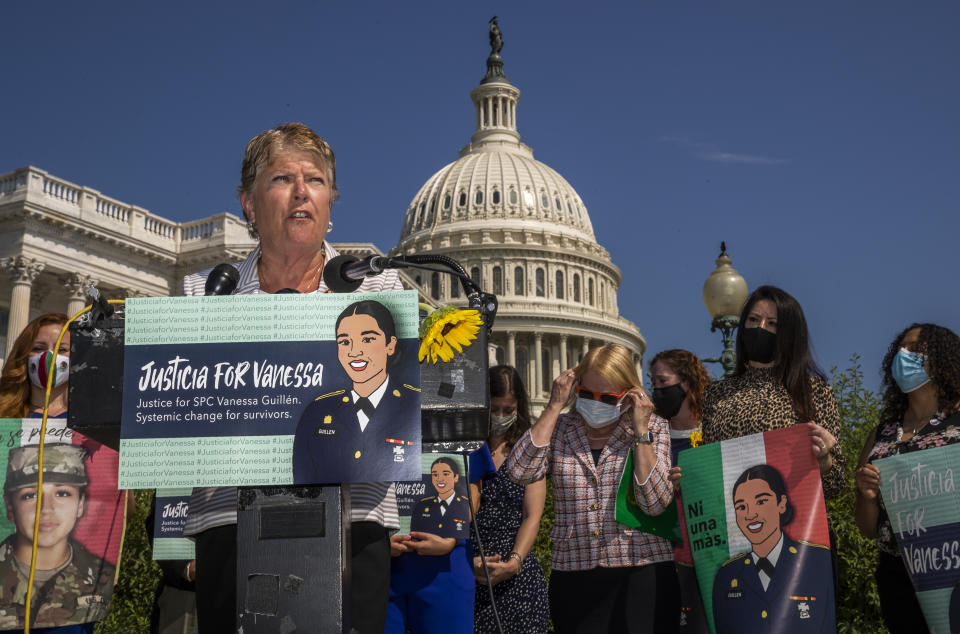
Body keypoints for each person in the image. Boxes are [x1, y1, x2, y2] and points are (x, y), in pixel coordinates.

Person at [181, 122, 404, 633]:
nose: (302, 192)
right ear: (249, 205)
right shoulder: (204, 293)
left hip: (352, 520)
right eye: (283, 178)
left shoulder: (377, 286)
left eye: (316, 180)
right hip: (229, 521)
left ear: (330, 203)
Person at [505, 343, 679, 634]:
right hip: (575, 576)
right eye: (586, 394)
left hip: (642, 571)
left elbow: (655, 502)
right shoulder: (560, 428)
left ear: (628, 396)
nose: (595, 403)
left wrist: (641, 432)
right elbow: (519, 471)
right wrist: (553, 406)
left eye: (607, 397)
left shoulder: (654, 428)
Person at [690, 286, 845, 499]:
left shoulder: (814, 391)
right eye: (753, 319)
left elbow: (836, 486)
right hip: (737, 523)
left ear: (789, 334)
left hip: (798, 525)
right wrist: (691, 478)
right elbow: (713, 473)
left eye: (772, 323)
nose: (760, 327)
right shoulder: (716, 394)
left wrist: (824, 459)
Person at [855, 323, 960, 634]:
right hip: (898, 576)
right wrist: (866, 496)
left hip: (953, 573)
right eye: (901, 348)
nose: (904, 356)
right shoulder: (881, 435)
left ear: (943, 360)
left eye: (915, 349)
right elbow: (867, 529)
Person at [293, 300, 419, 484]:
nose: (354, 351)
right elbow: (303, 483)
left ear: (390, 345)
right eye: (344, 342)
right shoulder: (317, 412)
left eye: (367, 339)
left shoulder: (414, 403)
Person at [0, 445, 115, 631]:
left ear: (80, 504)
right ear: (10, 506)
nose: (46, 508)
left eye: (62, 493)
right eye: (30, 495)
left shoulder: (102, 575)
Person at [712, 464, 834, 633]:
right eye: (741, 506)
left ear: (781, 504)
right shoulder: (727, 575)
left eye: (761, 501)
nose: (750, 514)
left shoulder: (816, 560)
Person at [473, 365, 548, 634]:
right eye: (494, 409)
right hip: (471, 570)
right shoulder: (466, 447)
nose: (501, 416)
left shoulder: (527, 449)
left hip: (517, 576)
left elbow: (533, 515)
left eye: (508, 409)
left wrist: (514, 562)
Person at [387, 451, 492, 634]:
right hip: (379, 567)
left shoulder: (462, 423)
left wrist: (451, 536)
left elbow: (473, 490)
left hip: (445, 568)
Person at [649, 350, 711, 633]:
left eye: (663, 381)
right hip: (661, 561)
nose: (658, 390)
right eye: (653, 383)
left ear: (687, 382)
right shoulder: (650, 436)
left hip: (707, 558)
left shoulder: (714, 432)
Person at [0, 313, 70, 420]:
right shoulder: (3, 414)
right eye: (38, 348)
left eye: (61, 349)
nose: (48, 357)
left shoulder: (92, 418)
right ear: (24, 355)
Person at [410, 457, 470, 536]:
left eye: (445, 474)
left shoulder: (466, 504)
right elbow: (414, 535)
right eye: (435, 474)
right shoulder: (422, 505)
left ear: (456, 477)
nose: (440, 479)